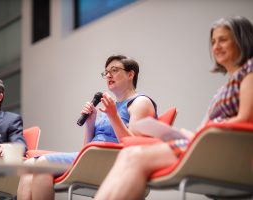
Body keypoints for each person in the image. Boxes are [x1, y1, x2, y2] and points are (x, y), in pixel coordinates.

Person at [94, 16, 253, 200]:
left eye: (223, 40)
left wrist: (200, 135)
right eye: (213, 41)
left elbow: (245, 120)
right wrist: (191, 135)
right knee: (129, 155)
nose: (216, 47)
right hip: (206, 143)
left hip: (220, 150)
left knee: (134, 156)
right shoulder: (228, 84)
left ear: (242, 40)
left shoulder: (249, 73)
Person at [17, 54, 158, 200]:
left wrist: (114, 116)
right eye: (106, 72)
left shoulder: (140, 102)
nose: (109, 75)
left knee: (42, 164)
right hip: (90, 157)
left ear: (130, 74)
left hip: (112, 160)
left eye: (114, 70)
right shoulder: (111, 107)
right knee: (29, 166)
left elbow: (134, 147)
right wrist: (90, 123)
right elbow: (87, 147)